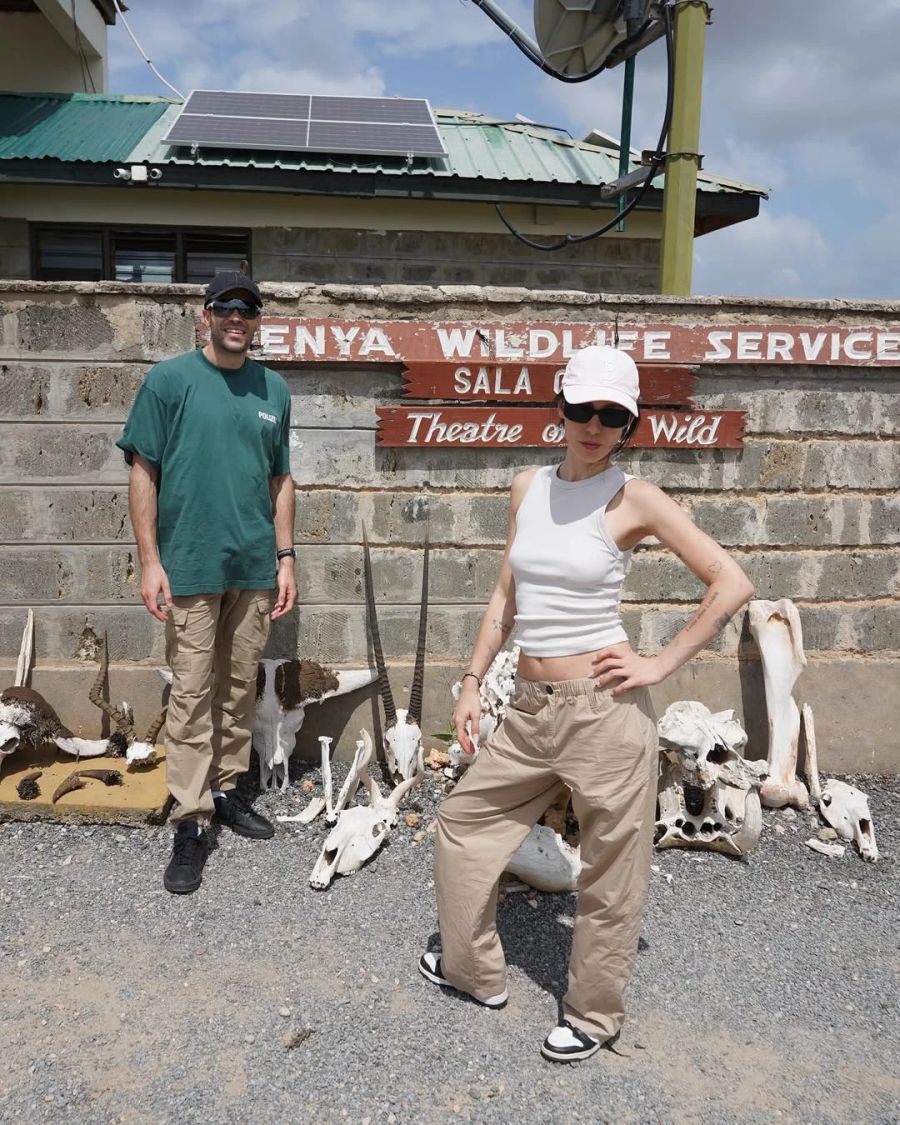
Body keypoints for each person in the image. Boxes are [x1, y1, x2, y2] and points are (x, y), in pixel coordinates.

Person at [419, 344, 754, 1062]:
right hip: (530, 707)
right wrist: (475, 680)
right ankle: (473, 970)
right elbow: (506, 594)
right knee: (461, 823)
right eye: (582, 409)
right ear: (560, 408)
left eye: (612, 415)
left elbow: (731, 582)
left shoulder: (636, 499)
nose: (594, 425)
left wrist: (659, 659)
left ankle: (594, 1015)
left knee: (611, 866)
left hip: (604, 708)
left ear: (628, 424)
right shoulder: (526, 487)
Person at [117, 271, 297, 895]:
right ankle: (190, 820)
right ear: (206, 314)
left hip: (252, 567)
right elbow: (144, 471)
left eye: (247, 309)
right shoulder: (169, 381)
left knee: (239, 686)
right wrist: (149, 560)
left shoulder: (274, 389)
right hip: (190, 566)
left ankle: (224, 790)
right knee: (191, 693)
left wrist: (287, 557)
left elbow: (280, 482)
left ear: (256, 319)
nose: (236, 318)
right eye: (225, 307)